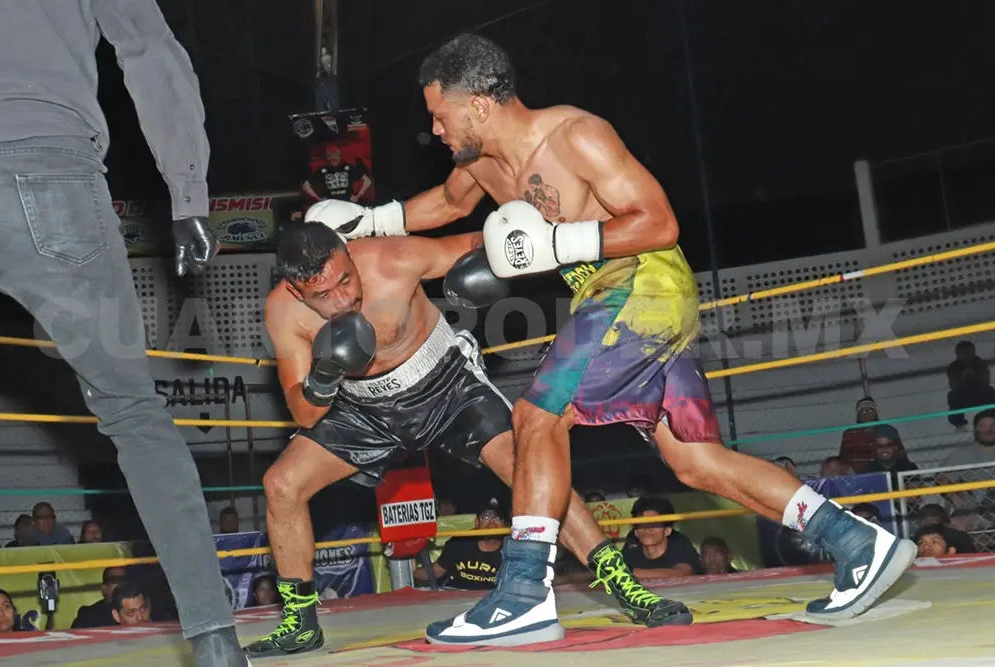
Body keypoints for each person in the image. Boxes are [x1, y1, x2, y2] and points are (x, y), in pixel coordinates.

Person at [306, 33, 917, 646]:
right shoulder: (482, 164)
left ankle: (523, 594)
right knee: (693, 461)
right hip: (614, 300)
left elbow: (659, 221)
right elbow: (443, 204)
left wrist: (556, 245)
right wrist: (366, 221)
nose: (435, 129)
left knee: (537, 417)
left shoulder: (576, 136)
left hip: (642, 284)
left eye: (441, 115)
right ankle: (857, 541)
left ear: (480, 104)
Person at [0, 3, 245, 663]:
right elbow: (148, 47)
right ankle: (213, 640)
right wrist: (187, 193)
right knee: (135, 413)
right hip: (54, 177)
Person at [244, 222, 687, 658]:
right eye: (324, 295)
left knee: (529, 469)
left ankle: (629, 589)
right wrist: (324, 377)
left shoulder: (393, 259)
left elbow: (481, 241)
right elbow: (302, 411)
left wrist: (482, 269)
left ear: (348, 254)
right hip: (361, 408)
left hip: (447, 385)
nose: (344, 297)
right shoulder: (283, 311)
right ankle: (299, 623)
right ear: (298, 292)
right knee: (281, 485)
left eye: (345, 278)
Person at [415, 503, 505, 590]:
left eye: (497, 518)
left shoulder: (511, 548)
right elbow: (437, 571)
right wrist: (410, 572)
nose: (492, 521)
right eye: (486, 517)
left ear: (504, 524)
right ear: (477, 523)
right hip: (456, 595)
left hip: (494, 597)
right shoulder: (460, 542)